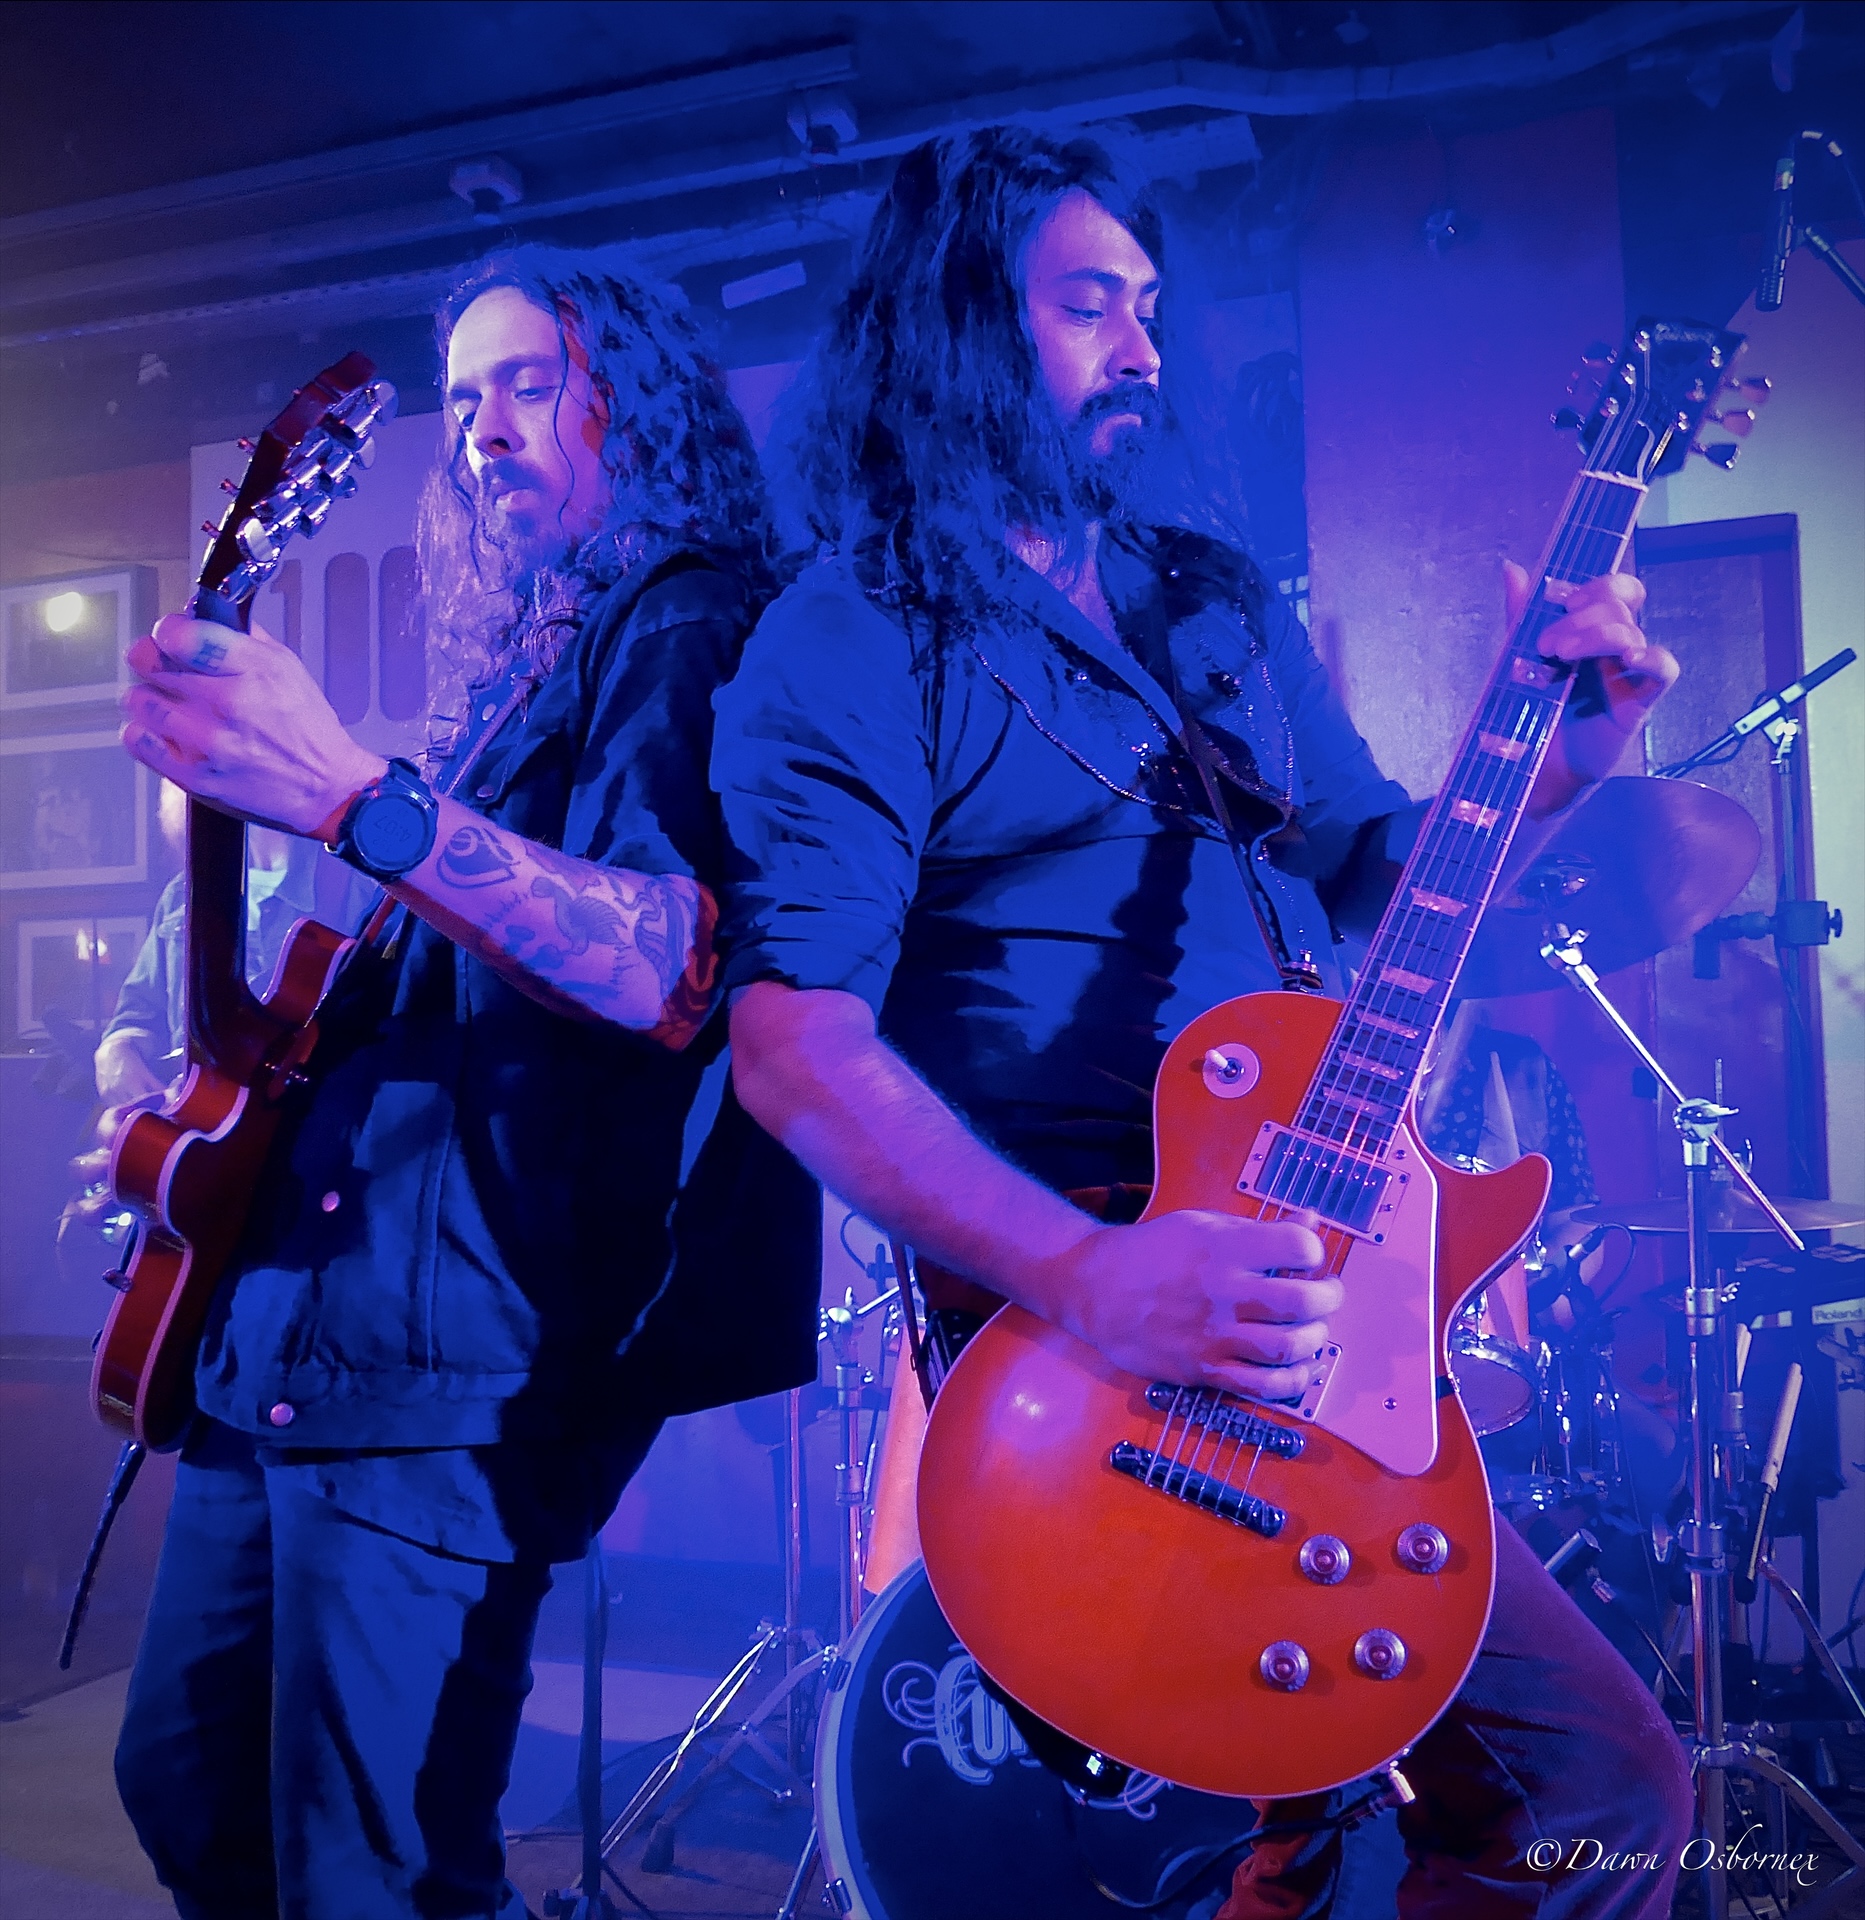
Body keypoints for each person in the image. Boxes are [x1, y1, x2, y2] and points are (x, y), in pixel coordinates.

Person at [713, 129, 1695, 1918]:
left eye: (1150, 307)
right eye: (1089, 305)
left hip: (1317, 1291)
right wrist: (1095, 1279)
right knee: (1558, 1792)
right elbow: (792, 1044)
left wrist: (1554, 766)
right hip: (1096, 1332)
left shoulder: (1209, 603)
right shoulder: (849, 637)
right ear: (956, 324)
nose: (1142, 349)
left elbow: (1378, 880)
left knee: (1465, 1813)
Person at [108, 246, 818, 1920]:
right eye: (465, 395)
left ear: (635, 402)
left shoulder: (693, 620)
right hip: (293, 1318)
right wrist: (180, 1092)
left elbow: (668, 965)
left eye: (531, 383)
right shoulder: (512, 669)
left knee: (375, 1866)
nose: (486, 428)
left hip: (454, 1356)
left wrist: (352, 791)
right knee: (186, 1788)